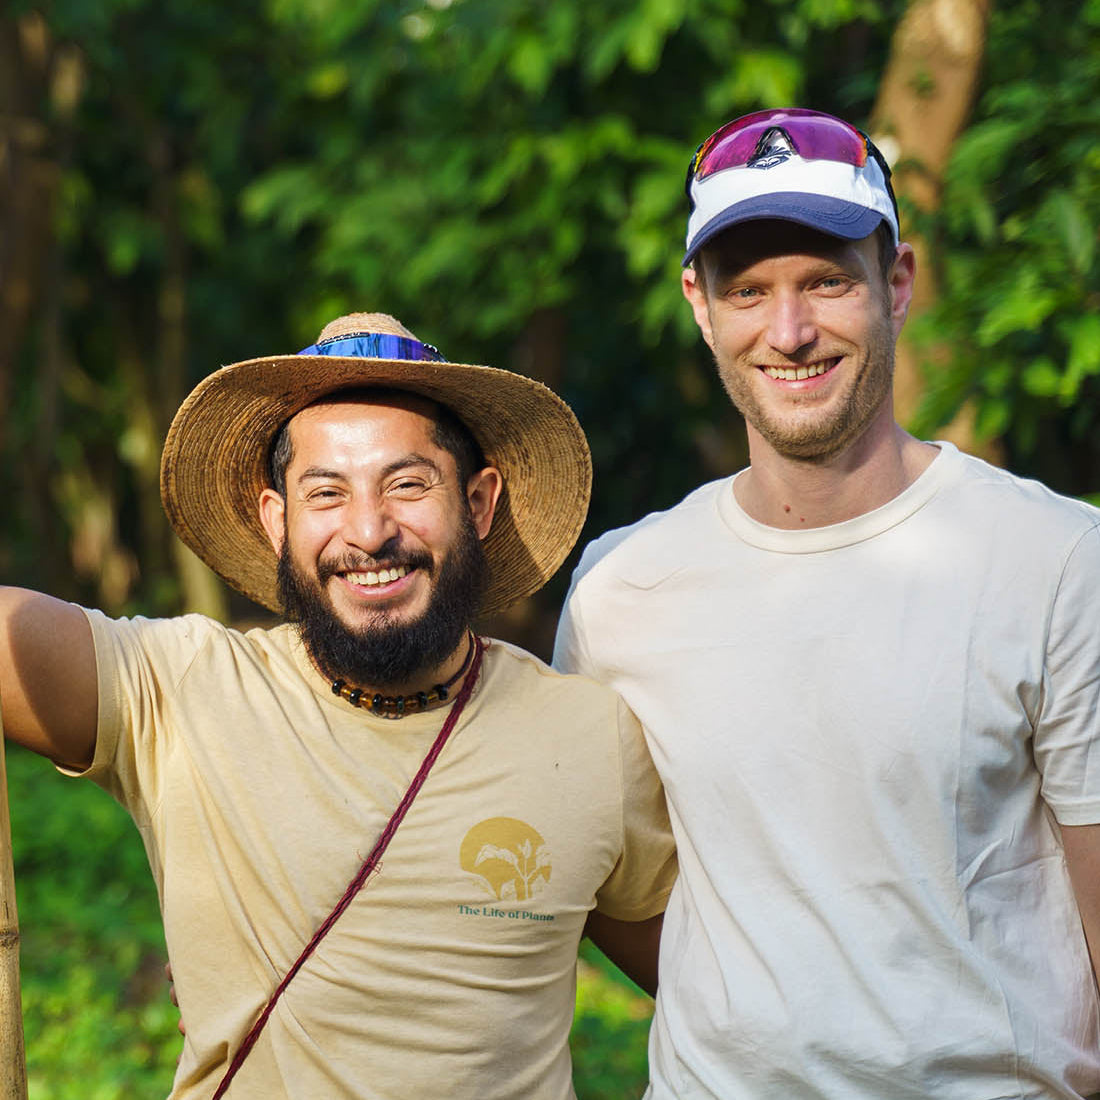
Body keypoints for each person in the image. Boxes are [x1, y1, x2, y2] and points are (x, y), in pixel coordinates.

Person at [554, 108, 1100, 1099]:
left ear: (898, 283)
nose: (789, 331)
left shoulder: (1057, 560)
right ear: (699, 305)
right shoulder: (617, 590)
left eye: (826, 281)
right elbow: (598, 877)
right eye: (748, 290)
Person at [0, 312, 676, 1099]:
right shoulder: (181, 690)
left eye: (408, 484)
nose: (369, 531)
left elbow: (714, 990)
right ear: (277, 521)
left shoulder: (590, 734)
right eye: (326, 492)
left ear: (478, 503)